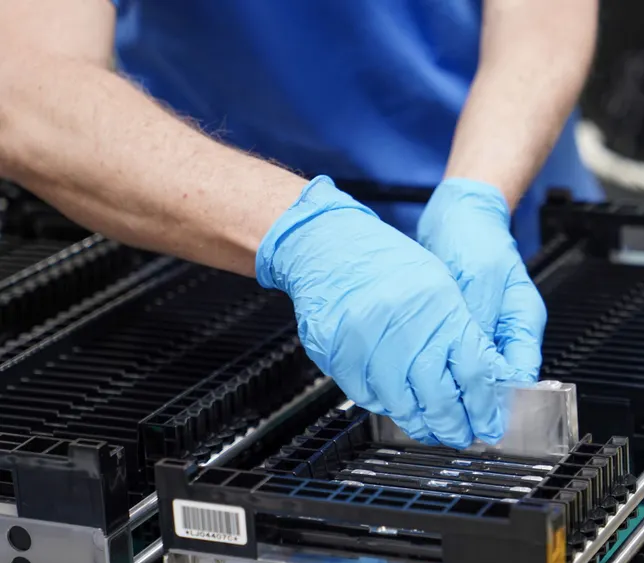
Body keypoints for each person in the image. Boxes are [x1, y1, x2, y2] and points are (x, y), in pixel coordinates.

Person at [0, 1, 602, 449]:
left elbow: (541, 25)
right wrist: (302, 234)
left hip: (511, 235)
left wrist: (479, 194)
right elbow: (21, 82)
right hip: (228, 275)